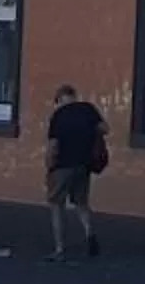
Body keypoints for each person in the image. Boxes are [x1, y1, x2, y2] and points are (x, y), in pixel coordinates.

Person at [44, 83, 106, 262]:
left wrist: (49, 165)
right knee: (81, 203)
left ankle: (59, 248)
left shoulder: (58, 116)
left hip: (63, 166)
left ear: (59, 99)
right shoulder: (88, 109)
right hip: (84, 164)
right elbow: (105, 129)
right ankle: (89, 234)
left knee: (56, 204)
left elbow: (53, 145)